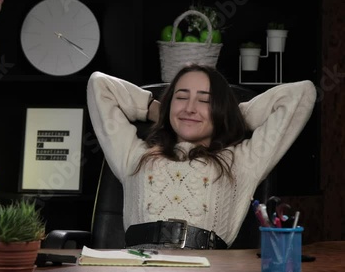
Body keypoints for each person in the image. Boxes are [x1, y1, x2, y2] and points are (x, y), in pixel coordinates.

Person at [86, 64, 317, 249]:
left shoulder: (244, 162)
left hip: (208, 266)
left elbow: (301, 93)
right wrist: (157, 110)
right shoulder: (133, 154)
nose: (190, 108)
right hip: (139, 264)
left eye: (205, 101)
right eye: (181, 97)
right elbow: (100, 85)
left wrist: (229, 117)